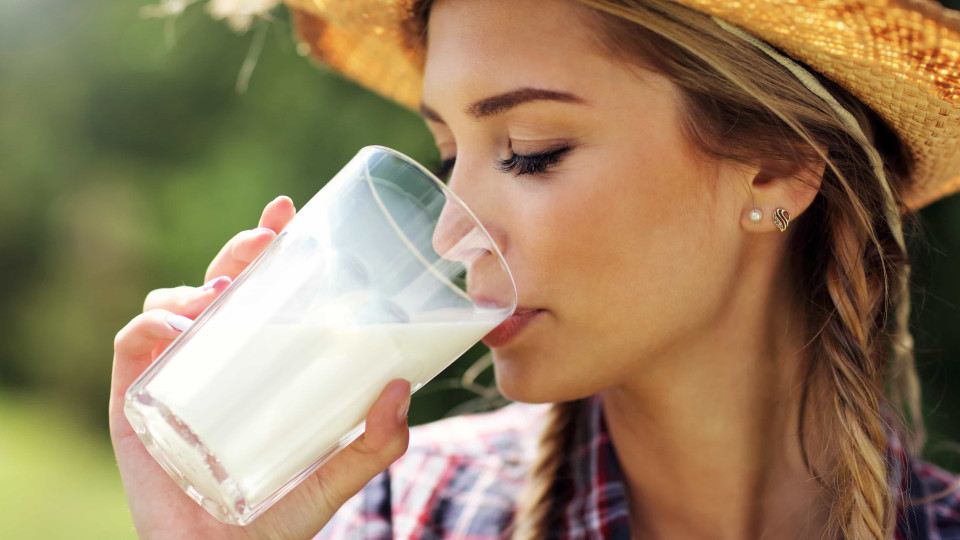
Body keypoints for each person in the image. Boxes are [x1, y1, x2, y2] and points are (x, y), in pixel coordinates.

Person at [110, 0, 960, 538]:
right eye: (449, 154)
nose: (451, 235)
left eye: (528, 152)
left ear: (774, 168)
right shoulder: (402, 518)